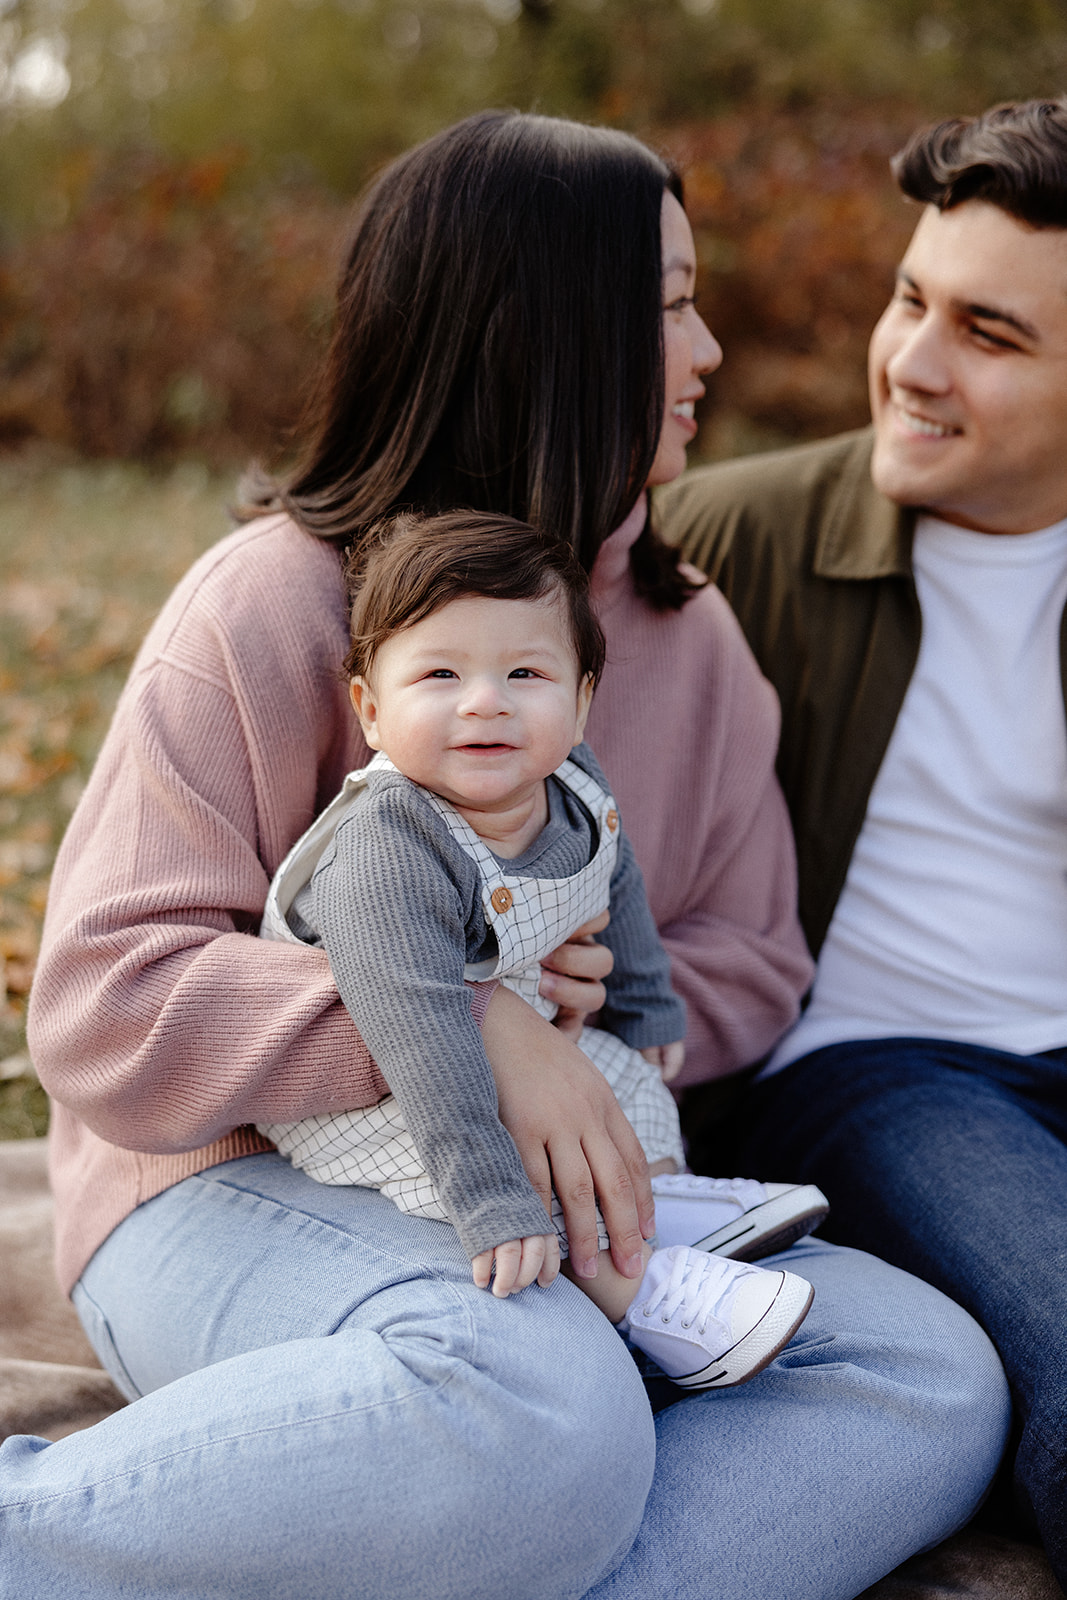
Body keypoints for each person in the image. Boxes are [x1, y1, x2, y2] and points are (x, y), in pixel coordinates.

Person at [14, 112, 1008, 1600]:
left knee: (925, 1372)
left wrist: (587, 1007)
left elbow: (749, 961)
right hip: (219, 1191)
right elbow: (103, 1001)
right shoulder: (273, 605)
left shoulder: (690, 639)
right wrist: (463, 1020)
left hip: (562, 1211)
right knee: (541, 1405)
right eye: (671, 304)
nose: (711, 349)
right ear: (544, 333)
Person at [659, 96, 1067, 1586]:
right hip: (874, 1072)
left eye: (990, 336)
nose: (909, 364)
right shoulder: (718, 544)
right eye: (910, 302)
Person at [257, 508, 819, 1385]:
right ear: (370, 708)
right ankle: (646, 1302)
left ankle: (655, 1202)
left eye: (525, 671)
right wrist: (489, 1200)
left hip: (505, 1034)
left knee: (622, 1078)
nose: (486, 700)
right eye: (439, 673)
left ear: (582, 697)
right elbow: (418, 1033)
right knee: (524, 1162)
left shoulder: (571, 780)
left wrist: (641, 993)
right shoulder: (386, 845)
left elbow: (612, 868)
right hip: (383, 1085)